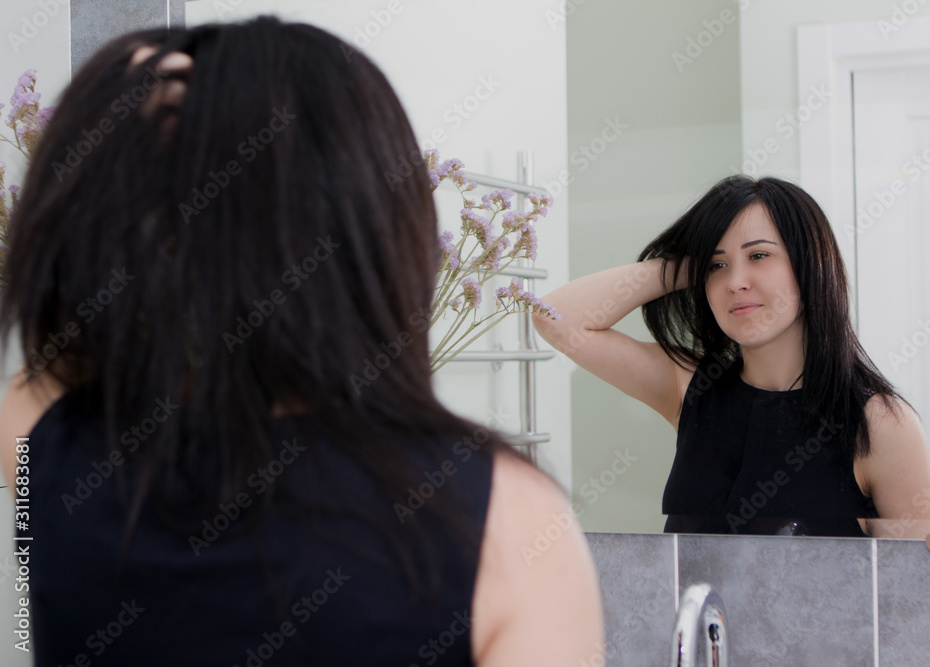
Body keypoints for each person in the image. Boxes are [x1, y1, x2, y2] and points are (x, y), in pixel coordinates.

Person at [0, 17, 603, 666]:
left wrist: (140, 116)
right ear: (378, 226)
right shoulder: (505, 519)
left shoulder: (41, 441)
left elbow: (66, 322)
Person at [532, 175, 930, 538]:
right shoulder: (690, 386)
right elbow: (556, 319)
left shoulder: (879, 422)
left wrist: (720, 259)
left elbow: (923, 595)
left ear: (811, 266)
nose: (735, 282)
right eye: (717, 265)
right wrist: (688, 266)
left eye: (759, 256)